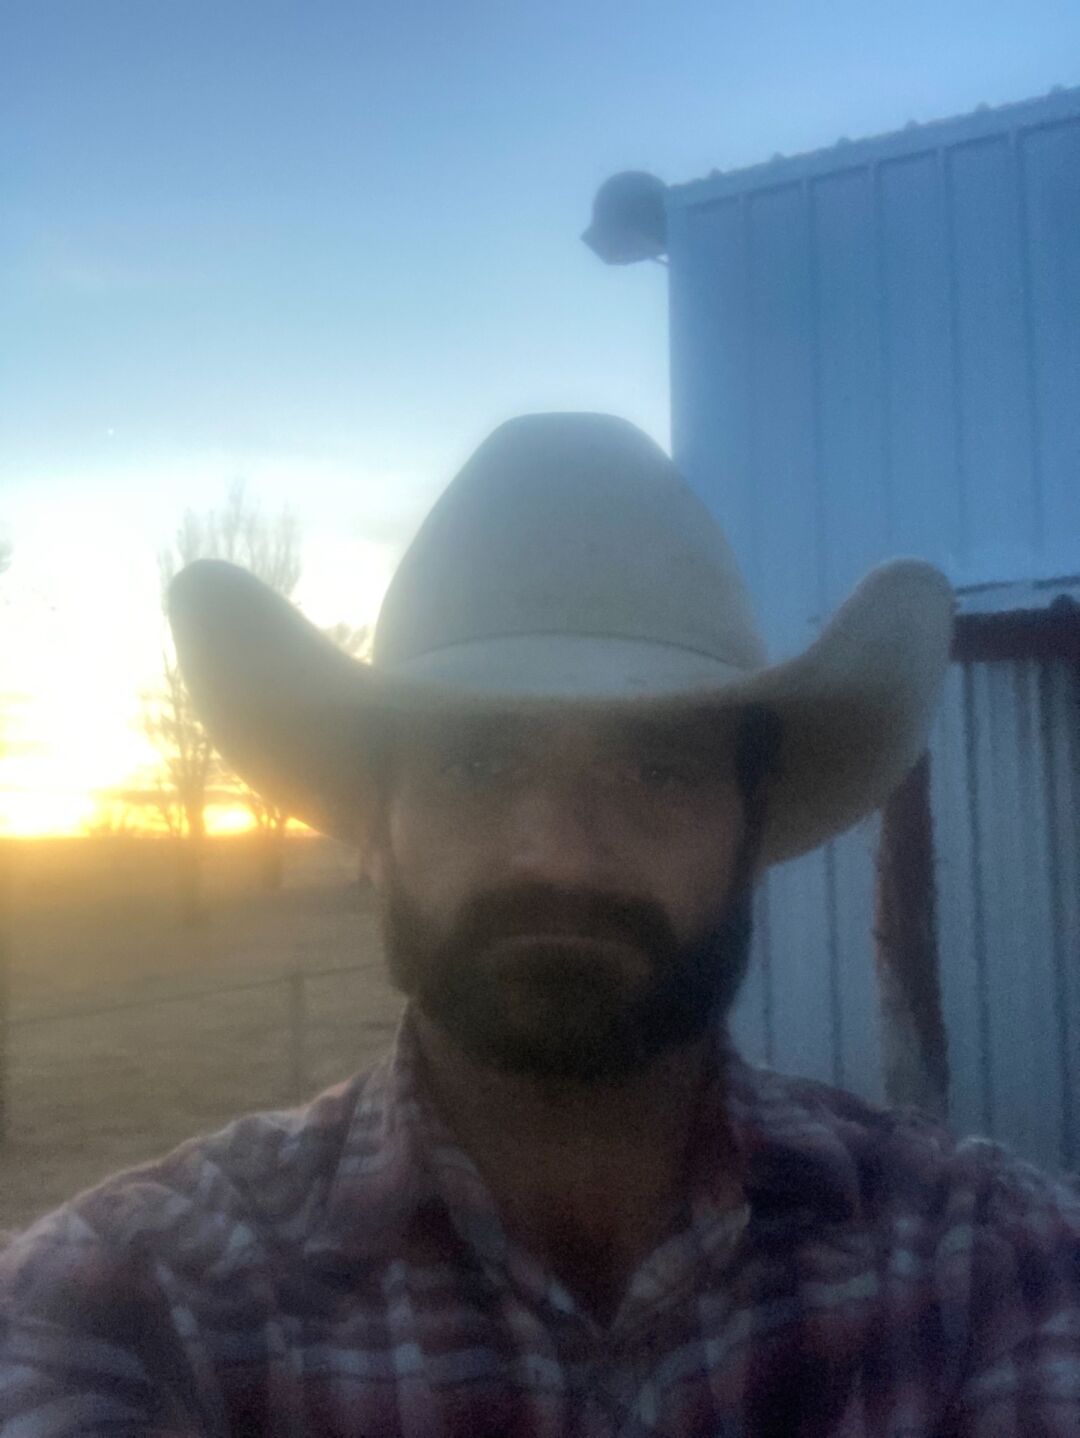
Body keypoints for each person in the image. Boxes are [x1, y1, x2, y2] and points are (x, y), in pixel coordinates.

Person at [1, 413, 1077, 1436]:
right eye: (477, 762)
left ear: (753, 831)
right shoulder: (131, 1305)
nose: (560, 853)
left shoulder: (993, 1269)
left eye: (657, 769)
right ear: (373, 827)